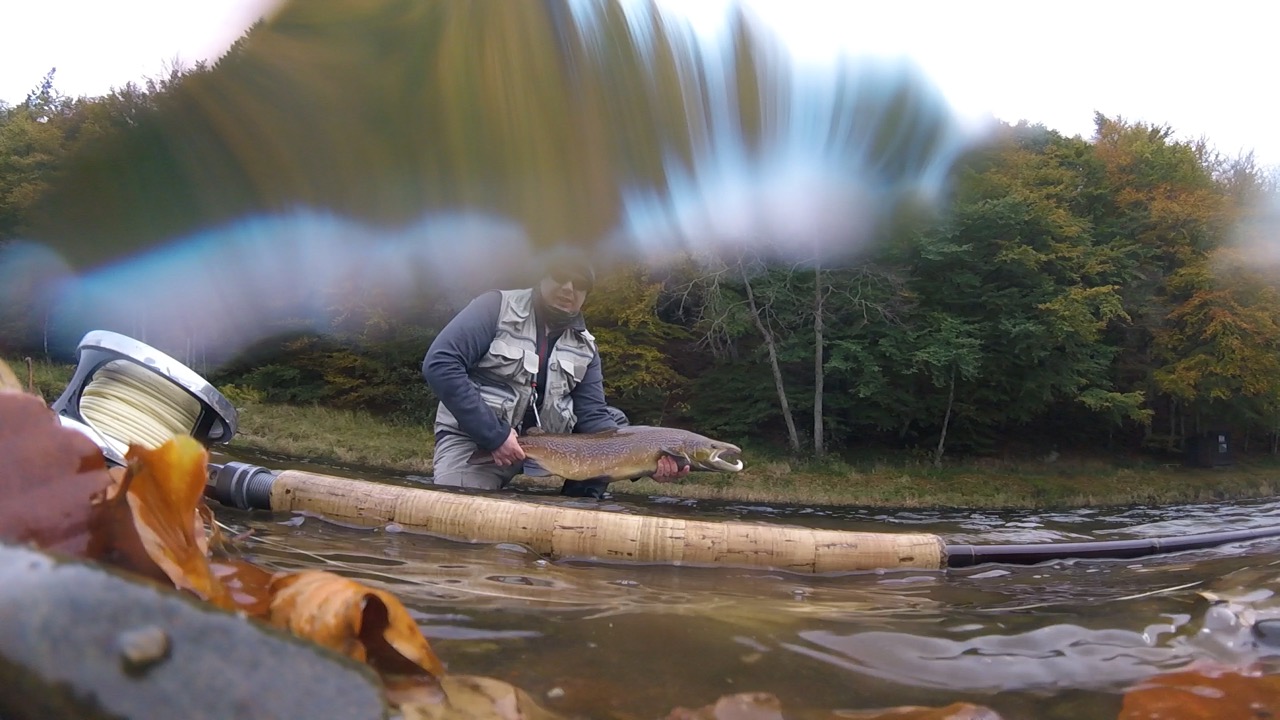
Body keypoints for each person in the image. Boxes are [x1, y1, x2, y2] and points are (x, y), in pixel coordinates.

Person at [422, 249, 688, 498]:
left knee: (614, 422)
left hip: (553, 448)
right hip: (475, 440)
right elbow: (440, 363)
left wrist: (647, 463)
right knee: (462, 512)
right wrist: (494, 435)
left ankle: (580, 506)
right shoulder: (494, 307)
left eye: (580, 283)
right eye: (560, 276)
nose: (568, 288)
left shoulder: (587, 346)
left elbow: (593, 417)